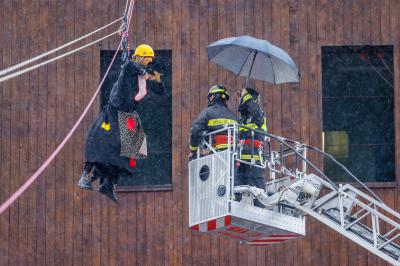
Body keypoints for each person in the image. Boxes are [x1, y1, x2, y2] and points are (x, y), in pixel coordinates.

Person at [78, 44, 162, 202]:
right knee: (102, 145)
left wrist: (156, 78)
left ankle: (109, 183)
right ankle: (87, 176)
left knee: (129, 152)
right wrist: (145, 73)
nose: (147, 64)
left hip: (128, 115)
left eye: (149, 62)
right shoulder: (130, 69)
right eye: (146, 61)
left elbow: (159, 89)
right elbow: (130, 65)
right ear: (140, 58)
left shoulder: (140, 75)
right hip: (114, 113)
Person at [236, 86, 267, 207]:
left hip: (255, 157)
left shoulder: (258, 113)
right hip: (242, 157)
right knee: (238, 184)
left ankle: (261, 209)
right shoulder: (243, 119)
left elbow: (257, 115)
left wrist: (246, 96)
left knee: (257, 185)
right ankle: (236, 204)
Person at [188, 85, 237, 160]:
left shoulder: (207, 112)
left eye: (210, 97)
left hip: (216, 155)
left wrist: (193, 150)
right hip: (233, 155)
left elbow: (196, 130)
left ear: (213, 97)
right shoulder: (234, 116)